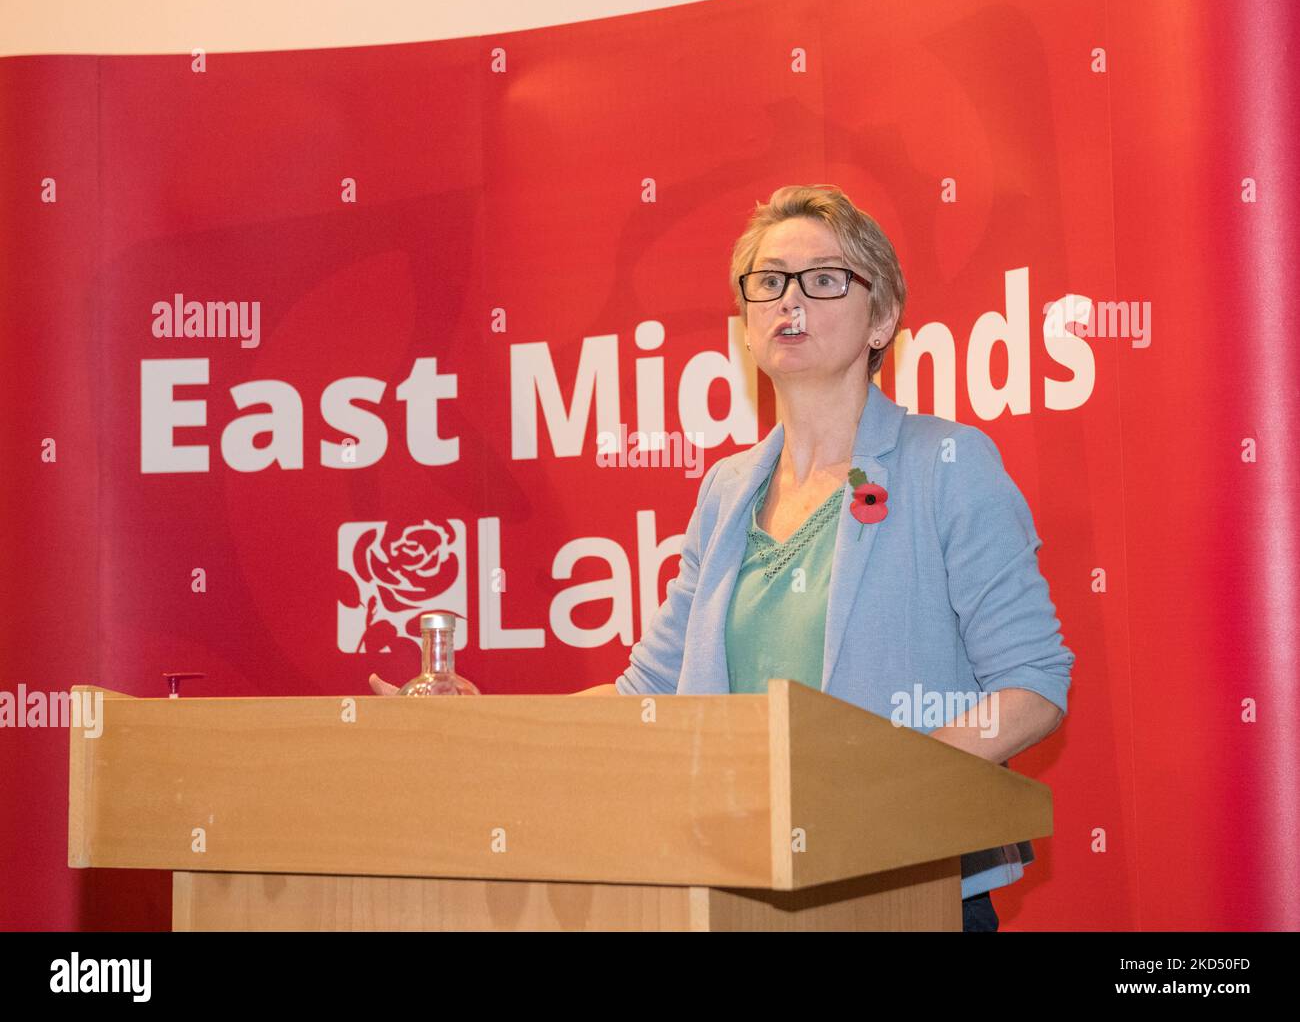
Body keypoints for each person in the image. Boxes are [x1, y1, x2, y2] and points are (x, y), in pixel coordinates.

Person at [374, 184, 1074, 932]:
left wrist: (886, 784)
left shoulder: (946, 464)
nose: (790, 301)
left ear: (883, 318)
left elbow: (1032, 685)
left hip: (910, 889)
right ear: (744, 325)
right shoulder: (728, 490)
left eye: (824, 278)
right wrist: (483, 729)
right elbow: (651, 691)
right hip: (741, 891)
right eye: (768, 282)